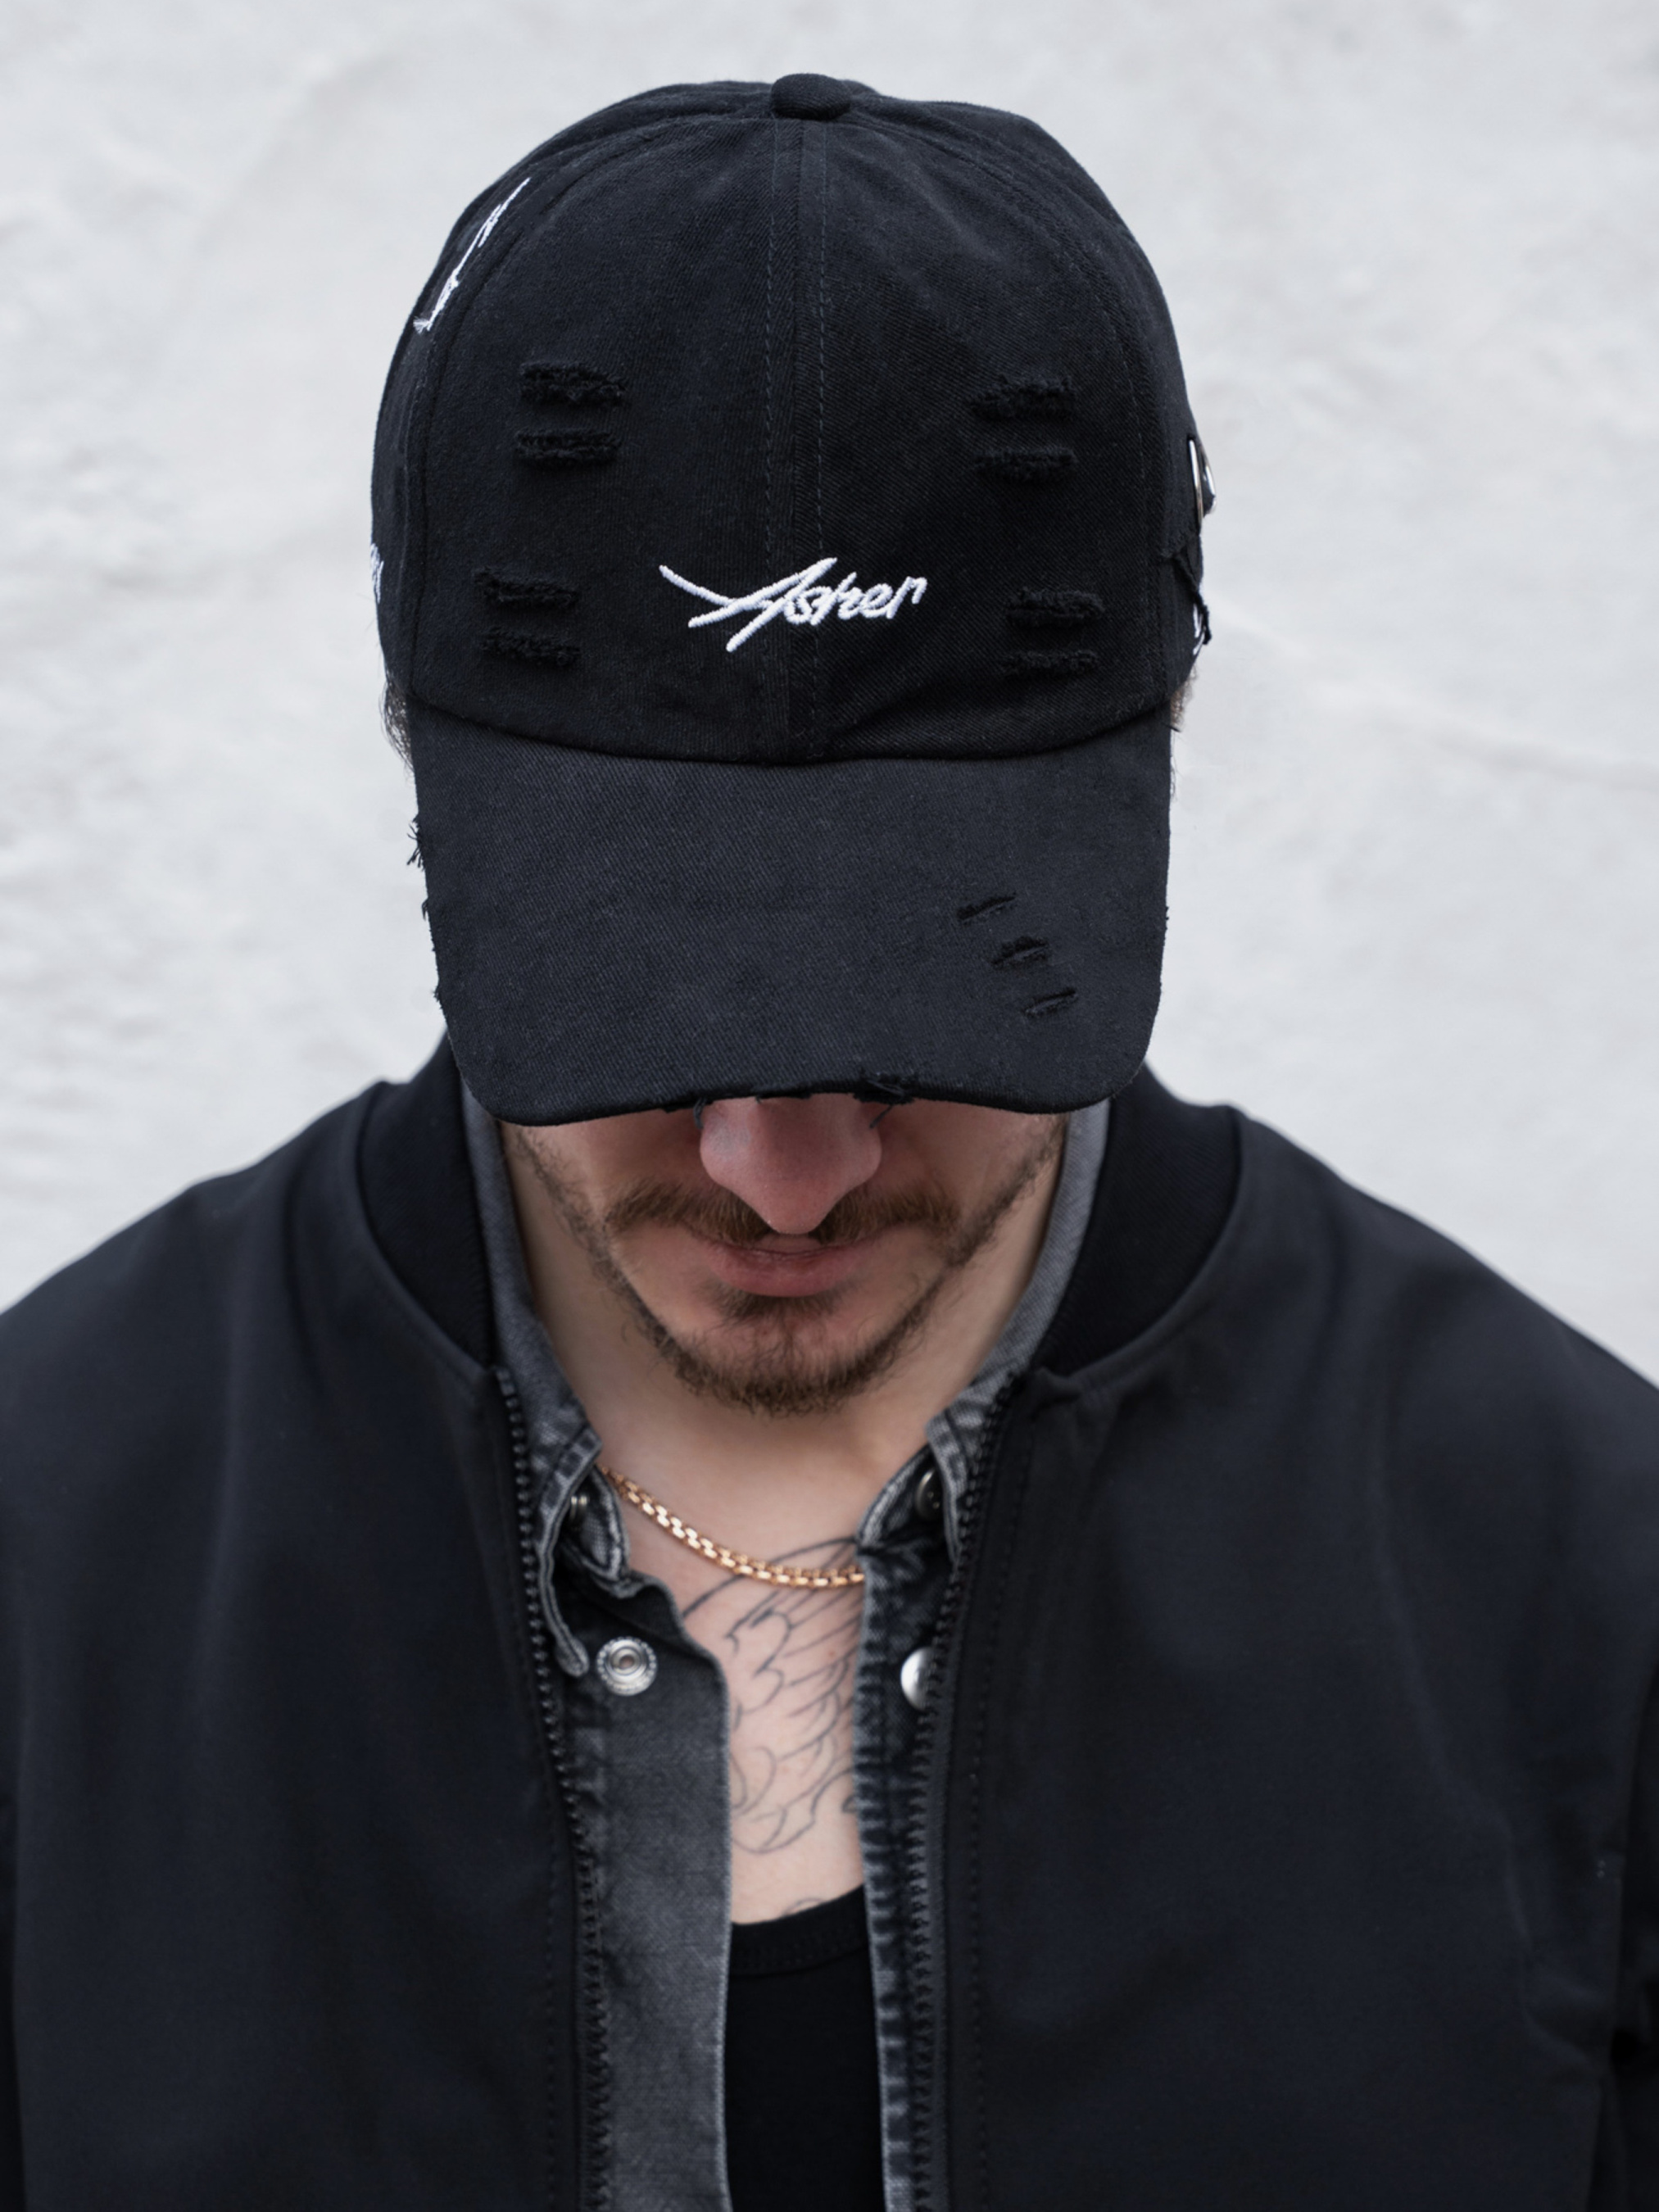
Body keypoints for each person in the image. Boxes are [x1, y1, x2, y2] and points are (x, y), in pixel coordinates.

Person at [1, 69, 1656, 2212]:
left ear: (1153, 746)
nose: (782, 1169)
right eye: (646, 1010)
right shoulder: (48, 1561)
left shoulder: (1583, 1596)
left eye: (916, 1019)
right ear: (419, 755)